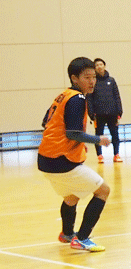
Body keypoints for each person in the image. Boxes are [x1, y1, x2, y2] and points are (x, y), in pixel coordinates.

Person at [38, 57, 111, 252]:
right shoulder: (77, 99)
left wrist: (74, 143)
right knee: (103, 191)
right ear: (74, 78)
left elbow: (46, 122)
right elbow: (73, 133)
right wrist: (98, 139)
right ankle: (82, 238)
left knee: (72, 196)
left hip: (46, 159)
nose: (92, 81)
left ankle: (67, 234)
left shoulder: (63, 96)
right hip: (60, 160)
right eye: (87, 77)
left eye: (94, 77)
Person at [87, 58, 124, 164]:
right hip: (98, 114)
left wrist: (119, 111)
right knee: (98, 135)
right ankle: (99, 156)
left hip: (112, 113)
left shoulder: (111, 80)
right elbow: (89, 98)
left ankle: (116, 154)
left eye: (101, 64)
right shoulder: (93, 82)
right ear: (94, 68)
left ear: (104, 66)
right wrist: (91, 113)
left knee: (115, 135)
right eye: (97, 65)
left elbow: (117, 96)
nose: (99, 66)